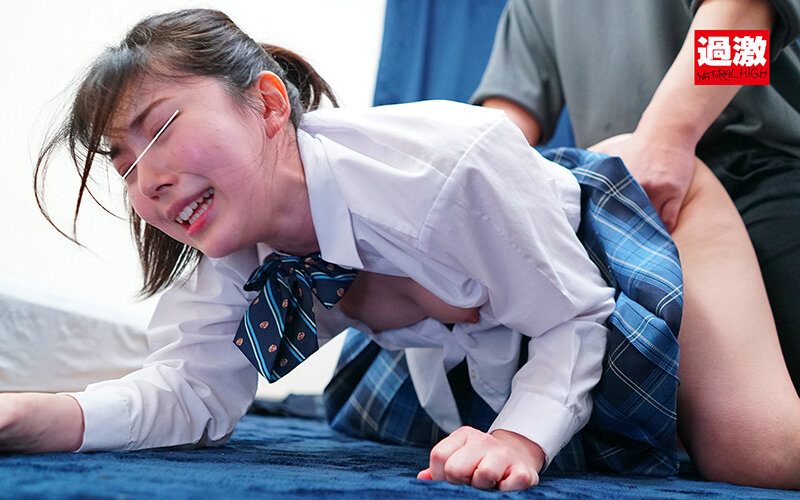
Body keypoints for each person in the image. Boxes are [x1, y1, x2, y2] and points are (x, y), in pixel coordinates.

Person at [0, 8, 796, 492]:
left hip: (724, 169)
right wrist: (449, 239)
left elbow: (751, 24)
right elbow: (502, 121)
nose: (145, 179)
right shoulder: (531, 13)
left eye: (161, 132)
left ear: (267, 105)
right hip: (551, 214)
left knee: (759, 451)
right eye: (123, 164)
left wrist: (673, 135)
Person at [471, 0, 800, 393]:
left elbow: (749, 13)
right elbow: (507, 122)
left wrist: (671, 135)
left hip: (760, 170)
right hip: (626, 214)